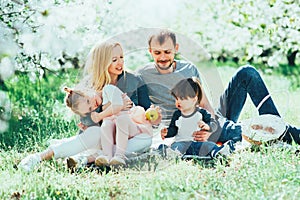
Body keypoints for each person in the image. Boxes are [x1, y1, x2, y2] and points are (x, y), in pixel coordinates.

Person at [137, 29, 300, 148]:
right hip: (182, 129)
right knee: (232, 128)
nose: (163, 57)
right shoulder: (143, 75)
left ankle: (276, 129)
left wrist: (212, 126)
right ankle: (283, 134)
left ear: (176, 49)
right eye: (157, 53)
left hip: (204, 119)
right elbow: (142, 115)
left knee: (247, 72)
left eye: (167, 51)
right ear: (150, 51)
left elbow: (204, 104)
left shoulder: (188, 68)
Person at [18, 41, 157, 171]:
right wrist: (104, 110)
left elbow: (145, 111)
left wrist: (151, 115)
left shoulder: (135, 80)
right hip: (104, 135)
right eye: (114, 60)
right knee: (94, 134)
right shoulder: (89, 86)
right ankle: (39, 157)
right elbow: (88, 121)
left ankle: (86, 158)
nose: (120, 62)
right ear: (102, 62)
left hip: (129, 135)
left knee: (145, 141)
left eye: (121, 57)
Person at [159, 77, 234, 158]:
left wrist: (207, 126)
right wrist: (167, 133)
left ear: (194, 99)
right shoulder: (177, 114)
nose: (178, 102)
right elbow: (173, 129)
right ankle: (171, 153)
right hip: (181, 142)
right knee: (176, 147)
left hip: (198, 143)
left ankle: (219, 152)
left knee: (209, 145)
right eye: (176, 99)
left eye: (182, 98)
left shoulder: (201, 113)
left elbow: (214, 123)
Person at [95, 84, 156, 166]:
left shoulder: (134, 110)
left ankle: (119, 156)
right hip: (116, 137)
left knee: (122, 119)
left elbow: (150, 121)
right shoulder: (108, 114)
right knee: (106, 124)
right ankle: (107, 156)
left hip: (136, 133)